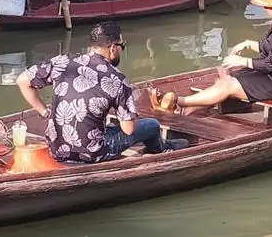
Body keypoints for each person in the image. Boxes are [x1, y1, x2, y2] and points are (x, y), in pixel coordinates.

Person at [16, 21, 188, 163]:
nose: (121, 49)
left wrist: (45, 112)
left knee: (107, 127)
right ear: (113, 48)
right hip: (92, 153)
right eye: (122, 46)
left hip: (57, 149)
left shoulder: (63, 62)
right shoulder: (117, 80)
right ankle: (162, 148)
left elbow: (22, 80)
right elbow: (129, 130)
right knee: (152, 125)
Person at [150, 0, 272, 115]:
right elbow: (269, 48)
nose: (265, 8)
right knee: (225, 78)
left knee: (228, 85)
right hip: (269, 74)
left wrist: (243, 60)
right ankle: (183, 111)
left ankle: (179, 101)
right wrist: (247, 43)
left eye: (267, 5)